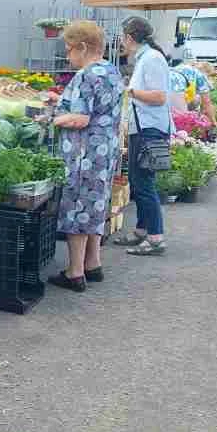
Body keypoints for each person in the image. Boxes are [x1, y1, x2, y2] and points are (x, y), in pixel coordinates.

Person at [45, 21, 124, 292]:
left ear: (82, 47)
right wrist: (62, 102)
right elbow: (98, 108)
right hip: (104, 151)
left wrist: (54, 120)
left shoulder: (85, 75)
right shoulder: (111, 70)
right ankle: (93, 263)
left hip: (83, 153)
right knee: (96, 205)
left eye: (68, 50)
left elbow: (80, 119)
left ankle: (74, 272)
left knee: (77, 207)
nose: (68, 56)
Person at [111, 16, 171, 257]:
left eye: (122, 37)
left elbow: (159, 97)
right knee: (139, 181)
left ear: (130, 37)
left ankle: (156, 238)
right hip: (144, 127)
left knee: (144, 184)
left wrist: (130, 90)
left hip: (150, 128)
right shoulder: (146, 58)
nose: (121, 43)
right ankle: (141, 231)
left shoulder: (152, 59)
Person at [167, 60, 217, 125]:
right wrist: (213, 122)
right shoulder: (200, 74)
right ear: (207, 72)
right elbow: (206, 102)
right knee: (181, 121)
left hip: (160, 89)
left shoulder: (180, 67)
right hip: (175, 90)